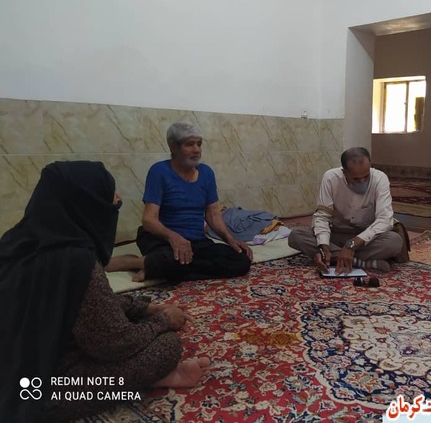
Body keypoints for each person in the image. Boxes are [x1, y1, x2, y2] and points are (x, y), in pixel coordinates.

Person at [0, 161, 210, 423]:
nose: (117, 198)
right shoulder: (77, 261)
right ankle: (152, 379)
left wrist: (143, 308)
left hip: (14, 367)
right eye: (109, 194)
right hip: (38, 391)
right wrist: (163, 320)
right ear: (86, 203)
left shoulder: (15, 241)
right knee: (167, 346)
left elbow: (78, 302)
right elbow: (114, 344)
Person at [106, 122, 252, 282]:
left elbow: (213, 214)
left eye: (199, 144)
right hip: (160, 238)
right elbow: (148, 220)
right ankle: (132, 262)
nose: (197, 150)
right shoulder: (159, 171)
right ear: (173, 147)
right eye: (189, 144)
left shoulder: (206, 173)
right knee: (175, 261)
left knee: (241, 260)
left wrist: (231, 240)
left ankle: (150, 264)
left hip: (196, 242)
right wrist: (173, 237)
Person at [288, 147, 403, 274]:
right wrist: (324, 247)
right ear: (344, 172)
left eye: (366, 177)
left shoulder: (380, 179)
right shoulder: (331, 178)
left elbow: (384, 219)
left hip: (365, 238)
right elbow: (322, 216)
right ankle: (360, 262)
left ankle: (337, 258)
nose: (362, 181)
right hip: (335, 234)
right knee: (296, 235)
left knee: (394, 241)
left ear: (370, 166)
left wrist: (352, 244)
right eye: (356, 179)